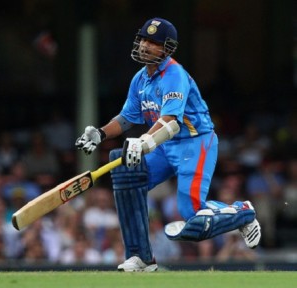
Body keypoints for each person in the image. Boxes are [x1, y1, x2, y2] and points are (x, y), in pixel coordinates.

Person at [75, 17, 261, 272]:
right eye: (143, 39)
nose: (144, 45)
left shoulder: (175, 75)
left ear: (166, 48)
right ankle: (140, 257)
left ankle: (242, 212)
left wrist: (143, 142)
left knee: (193, 217)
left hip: (194, 144)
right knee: (127, 175)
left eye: (152, 42)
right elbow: (127, 118)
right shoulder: (140, 79)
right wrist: (99, 134)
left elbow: (170, 122)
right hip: (165, 146)